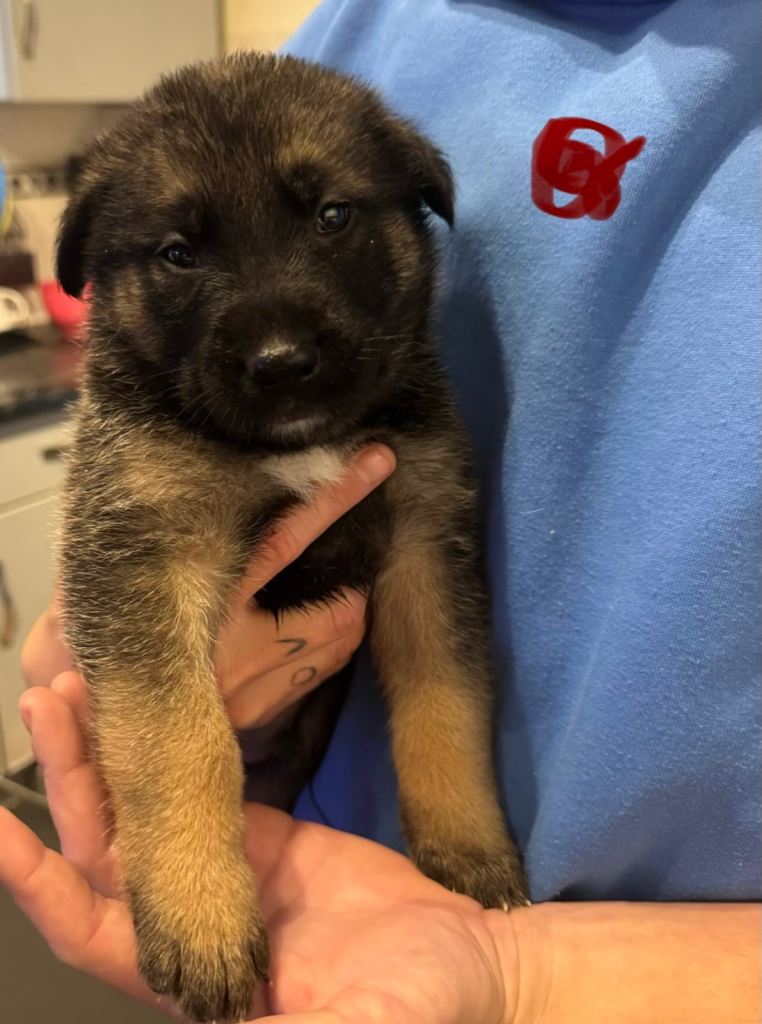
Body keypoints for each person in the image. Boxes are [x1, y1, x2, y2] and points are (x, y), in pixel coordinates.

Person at [2, 0, 760, 1020]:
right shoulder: (355, 28)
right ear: (100, 273)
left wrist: (486, 895)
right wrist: (176, 829)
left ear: (421, 210)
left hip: (544, 955)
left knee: (429, 568)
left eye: (332, 220)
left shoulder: (402, 382)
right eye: (182, 255)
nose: (274, 334)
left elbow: (432, 604)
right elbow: (117, 606)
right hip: (312, 906)